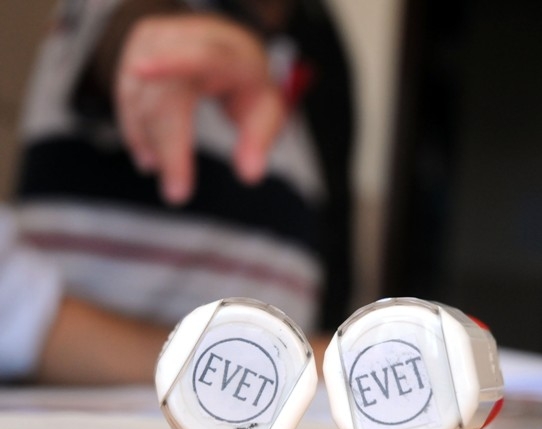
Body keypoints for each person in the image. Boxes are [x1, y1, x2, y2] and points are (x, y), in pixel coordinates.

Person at [2, 0, 354, 384]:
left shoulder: (316, 41)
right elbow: (129, 30)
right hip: (98, 399)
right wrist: (158, 38)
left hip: (263, 395)